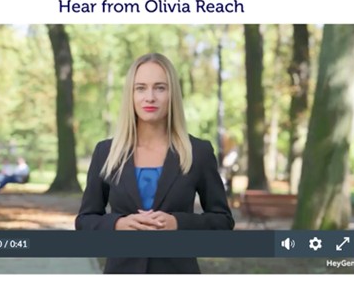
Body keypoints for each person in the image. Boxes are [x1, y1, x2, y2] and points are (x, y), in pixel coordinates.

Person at [75, 53, 235, 274]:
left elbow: (223, 223)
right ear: (130, 95)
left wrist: (177, 224)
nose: (149, 97)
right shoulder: (106, 152)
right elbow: (85, 221)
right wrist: (117, 225)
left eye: (160, 88)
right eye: (140, 88)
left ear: (172, 95)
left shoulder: (198, 152)